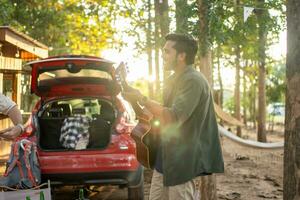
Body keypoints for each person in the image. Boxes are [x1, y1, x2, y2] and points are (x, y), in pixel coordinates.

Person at [122, 33, 224, 200]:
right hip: (165, 158)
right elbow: (161, 114)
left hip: (183, 162)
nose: (163, 56)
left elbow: (173, 117)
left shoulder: (193, 81)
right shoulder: (172, 80)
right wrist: (135, 101)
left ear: (181, 56)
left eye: (167, 52)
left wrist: (143, 99)